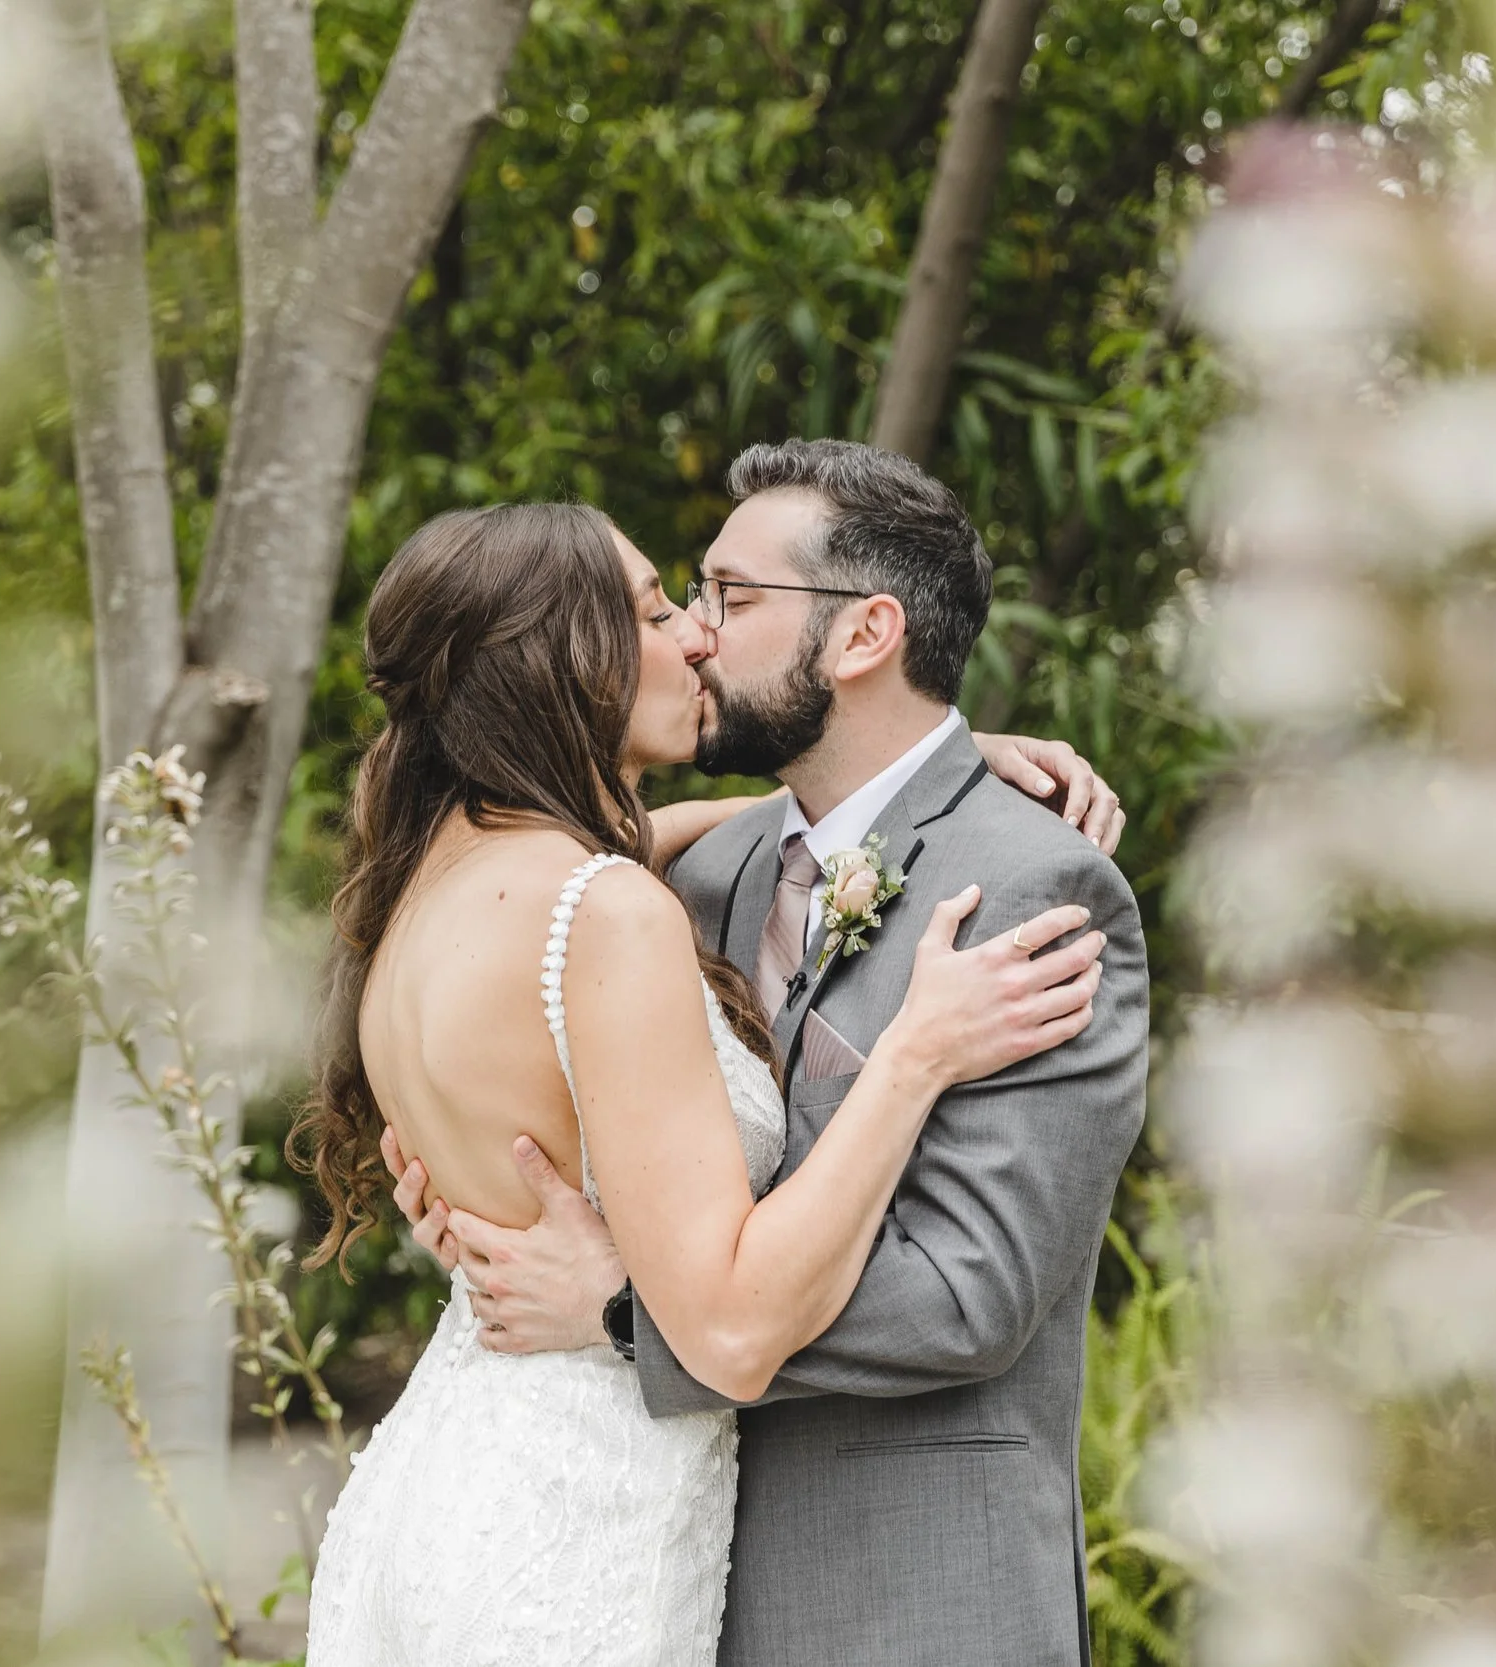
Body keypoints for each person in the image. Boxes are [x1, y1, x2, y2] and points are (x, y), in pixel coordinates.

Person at [296, 489, 1121, 1667]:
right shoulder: (611, 910)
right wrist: (916, 1054)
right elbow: (728, 1330)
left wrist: (933, 768)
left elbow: (647, 838)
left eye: (717, 597)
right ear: (561, 659)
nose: (693, 633)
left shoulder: (435, 886)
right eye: (657, 609)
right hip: (572, 1532)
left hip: (450, 1488)